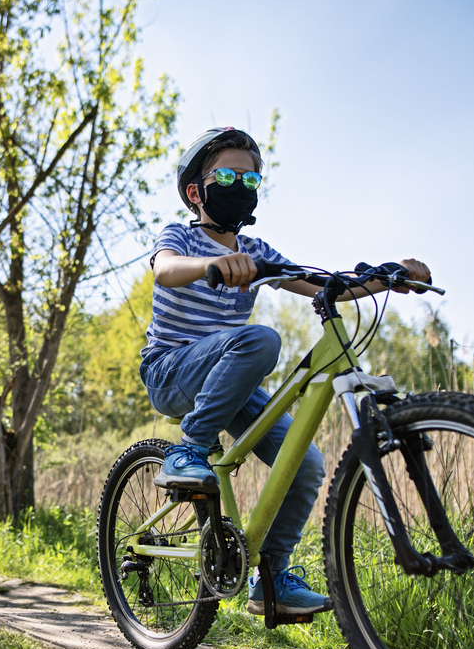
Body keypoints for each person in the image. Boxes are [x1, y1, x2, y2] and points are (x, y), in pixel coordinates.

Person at [139, 127, 431, 617]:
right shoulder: (181, 236)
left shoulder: (259, 252)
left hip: (229, 378)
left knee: (308, 463)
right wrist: (213, 263)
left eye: (252, 179)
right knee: (263, 339)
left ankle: (270, 577)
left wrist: (385, 277)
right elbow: (165, 269)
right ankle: (189, 451)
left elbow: (323, 285)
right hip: (171, 372)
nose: (242, 185)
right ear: (196, 192)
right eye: (228, 175)